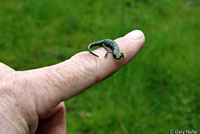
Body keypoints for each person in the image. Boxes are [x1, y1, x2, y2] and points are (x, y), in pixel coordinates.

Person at [0, 30, 145, 134]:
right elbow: (108, 48)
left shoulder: (117, 51)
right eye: (115, 55)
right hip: (106, 43)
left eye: (116, 55)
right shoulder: (110, 49)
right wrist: (105, 52)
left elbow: (117, 52)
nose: (117, 56)